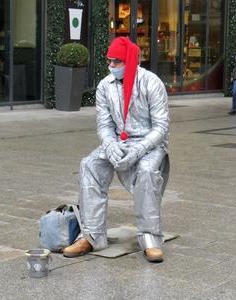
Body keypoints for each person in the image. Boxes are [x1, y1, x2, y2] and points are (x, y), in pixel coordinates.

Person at [62, 37, 170, 263]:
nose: (112, 66)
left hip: (148, 144)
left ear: (129, 61)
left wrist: (139, 149)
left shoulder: (152, 83)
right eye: (109, 61)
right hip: (118, 142)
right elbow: (104, 124)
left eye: (117, 62)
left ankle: (150, 237)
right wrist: (110, 145)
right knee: (89, 164)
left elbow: (160, 127)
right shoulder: (104, 86)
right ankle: (91, 235)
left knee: (148, 170)